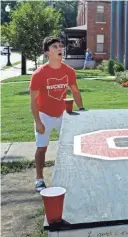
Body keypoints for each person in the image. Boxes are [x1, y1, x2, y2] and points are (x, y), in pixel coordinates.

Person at [29, 36, 85, 192]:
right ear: (47, 52)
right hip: (44, 115)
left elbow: (75, 91)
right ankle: (39, 179)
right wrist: (38, 121)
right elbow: (33, 101)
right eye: (55, 47)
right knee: (42, 148)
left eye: (60, 46)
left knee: (70, 146)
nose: (60, 49)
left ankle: (71, 175)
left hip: (63, 116)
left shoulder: (69, 71)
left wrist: (82, 110)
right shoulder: (39, 74)